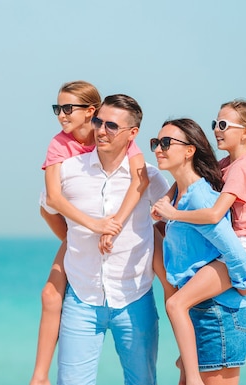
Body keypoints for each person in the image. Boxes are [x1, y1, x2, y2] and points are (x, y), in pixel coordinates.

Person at [151, 100, 246, 385]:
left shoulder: (243, 168)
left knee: (176, 305)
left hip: (245, 248)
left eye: (223, 125)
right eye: (214, 124)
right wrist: (168, 199)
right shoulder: (228, 164)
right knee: (177, 303)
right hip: (227, 262)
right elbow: (197, 172)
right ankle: (188, 359)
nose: (216, 130)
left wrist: (245, 277)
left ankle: (192, 367)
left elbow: (212, 215)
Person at [30, 82, 152, 385]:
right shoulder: (61, 148)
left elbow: (142, 181)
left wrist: (117, 225)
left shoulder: (126, 146)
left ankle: (183, 326)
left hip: (131, 289)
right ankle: (39, 375)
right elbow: (51, 202)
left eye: (67, 108)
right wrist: (90, 229)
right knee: (50, 294)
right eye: (57, 108)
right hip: (82, 267)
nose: (61, 115)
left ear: (90, 110)